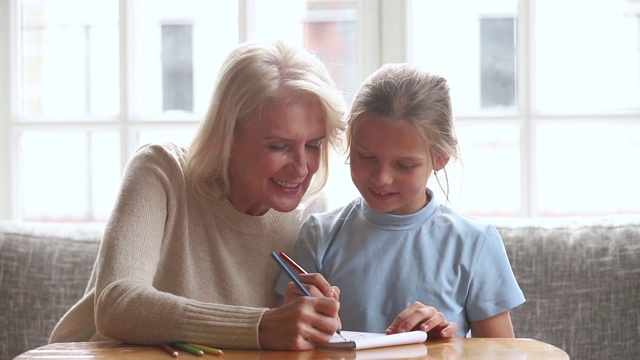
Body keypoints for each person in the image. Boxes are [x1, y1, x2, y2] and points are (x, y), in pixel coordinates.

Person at [49, 40, 348, 351]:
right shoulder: (161, 172)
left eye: (314, 145)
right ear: (228, 135)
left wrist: (309, 316)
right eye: (279, 146)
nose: (302, 168)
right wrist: (260, 326)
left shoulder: (311, 208)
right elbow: (117, 304)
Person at [276, 63, 525, 338]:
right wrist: (296, 316)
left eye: (404, 165)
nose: (382, 178)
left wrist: (443, 346)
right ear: (350, 140)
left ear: (441, 158)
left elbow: (502, 352)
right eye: (366, 157)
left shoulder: (475, 243)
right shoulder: (318, 235)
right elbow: (285, 342)